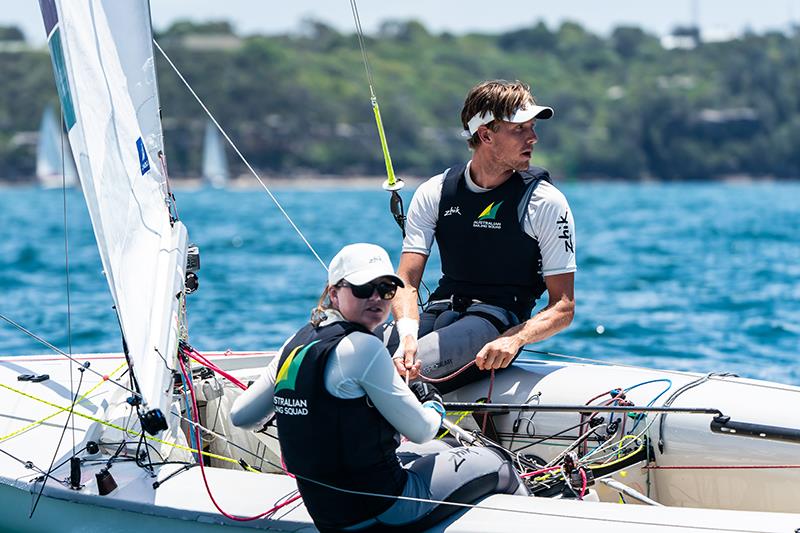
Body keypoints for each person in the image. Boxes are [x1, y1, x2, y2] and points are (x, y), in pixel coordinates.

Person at [230, 243, 526, 532]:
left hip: (328, 515)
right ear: (333, 293)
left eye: (386, 289)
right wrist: (431, 401)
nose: (376, 298)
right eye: (362, 289)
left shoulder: (296, 342)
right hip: (386, 512)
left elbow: (241, 416)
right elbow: (422, 431)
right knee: (500, 464)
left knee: (447, 447)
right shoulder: (364, 347)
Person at [385, 80, 576, 392]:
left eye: (532, 127)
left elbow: (563, 306)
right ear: (486, 135)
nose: (533, 138)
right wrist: (406, 332)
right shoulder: (435, 191)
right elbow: (406, 281)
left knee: (395, 378)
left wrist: (516, 338)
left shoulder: (545, 202)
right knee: (345, 361)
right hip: (438, 311)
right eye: (520, 129)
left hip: (495, 323)